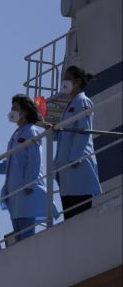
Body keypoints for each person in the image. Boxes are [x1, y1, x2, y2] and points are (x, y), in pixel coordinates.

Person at [0, 95, 48, 242]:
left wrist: (31, 183)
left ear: (24, 112)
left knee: (27, 237)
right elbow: (8, 165)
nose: (11, 111)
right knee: (19, 237)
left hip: (26, 192)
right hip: (14, 194)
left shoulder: (32, 131)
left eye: (15, 108)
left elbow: (35, 159)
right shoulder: (16, 135)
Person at [52, 66, 102, 217]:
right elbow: (65, 135)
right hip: (67, 168)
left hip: (77, 165)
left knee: (80, 213)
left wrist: (75, 157)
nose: (64, 82)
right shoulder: (71, 105)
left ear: (78, 81)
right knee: (70, 215)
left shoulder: (83, 102)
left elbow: (83, 130)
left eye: (67, 78)